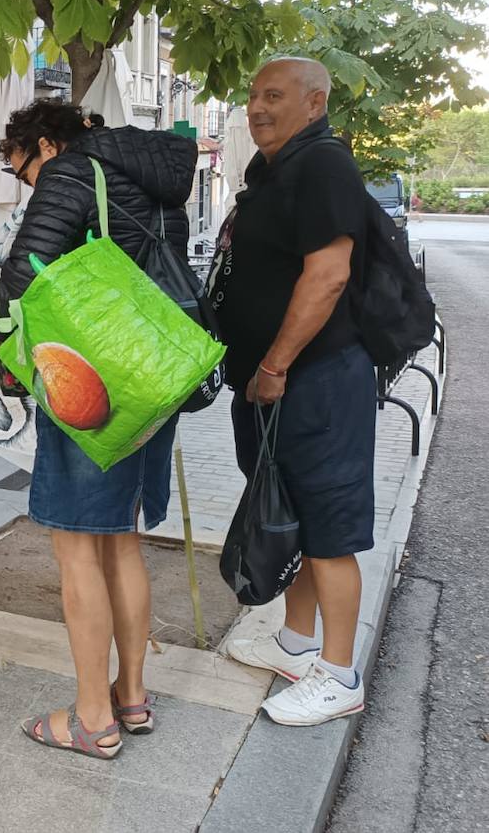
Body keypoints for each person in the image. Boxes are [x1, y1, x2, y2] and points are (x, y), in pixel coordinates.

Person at [0, 100, 197, 759]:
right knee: (123, 542)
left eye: (22, 173)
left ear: (46, 144)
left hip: (92, 382)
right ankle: (130, 694)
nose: (26, 185)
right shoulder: (157, 179)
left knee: (77, 549)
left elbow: (24, 270)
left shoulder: (70, 174)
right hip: (153, 375)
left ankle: (93, 717)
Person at [212, 57, 375, 727]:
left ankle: (338, 674)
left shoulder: (324, 165)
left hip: (315, 379)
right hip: (274, 385)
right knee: (293, 513)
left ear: (315, 102)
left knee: (328, 526)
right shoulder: (275, 171)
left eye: (273, 94)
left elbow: (329, 274)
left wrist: (275, 363)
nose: (257, 106)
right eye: (252, 94)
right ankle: (296, 639)